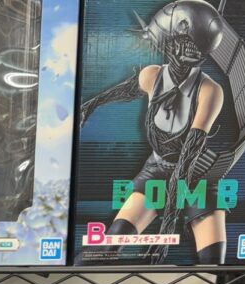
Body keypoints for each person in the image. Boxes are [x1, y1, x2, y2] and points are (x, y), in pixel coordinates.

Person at [78, 0, 229, 264]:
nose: (189, 50)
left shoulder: (209, 91)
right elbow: (125, 91)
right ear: (169, 41)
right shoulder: (152, 75)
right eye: (183, 42)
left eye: (194, 45)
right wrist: (89, 105)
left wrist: (166, 232)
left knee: (212, 264)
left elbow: (188, 158)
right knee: (107, 245)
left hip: (198, 176)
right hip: (157, 168)